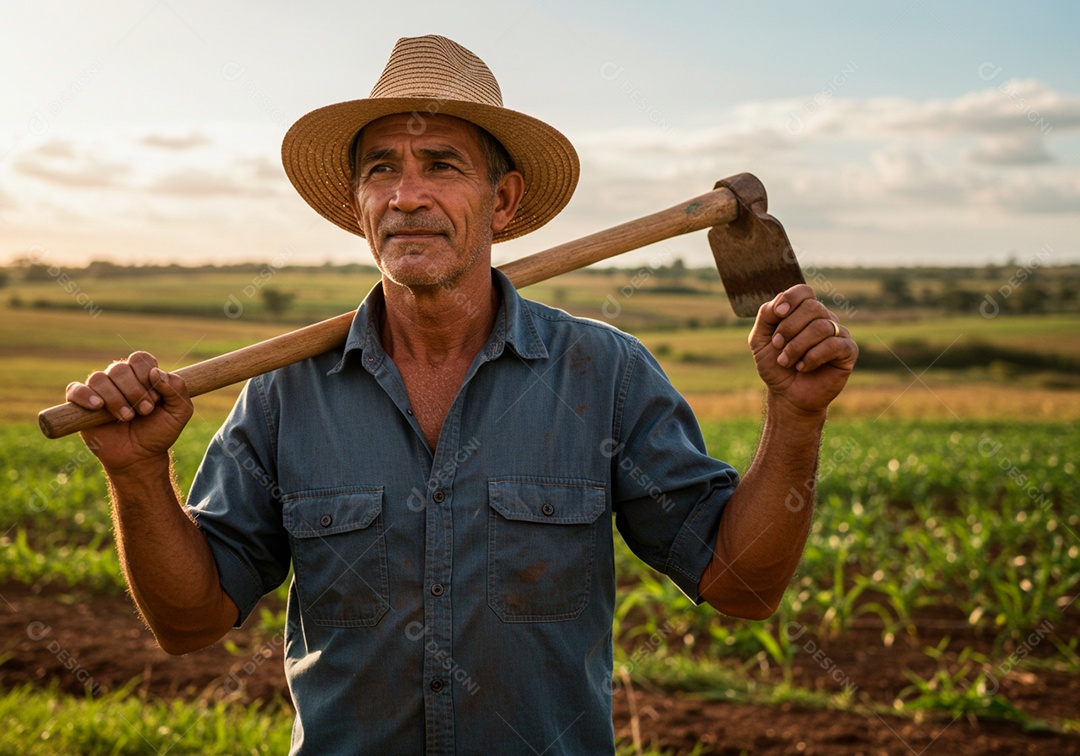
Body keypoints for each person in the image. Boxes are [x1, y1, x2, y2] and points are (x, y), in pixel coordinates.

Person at [66, 35, 858, 755]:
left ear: (503, 201)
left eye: (441, 165)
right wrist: (137, 471)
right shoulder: (283, 396)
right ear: (356, 205)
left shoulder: (603, 374)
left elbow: (743, 587)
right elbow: (188, 621)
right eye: (382, 169)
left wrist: (795, 415)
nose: (407, 196)